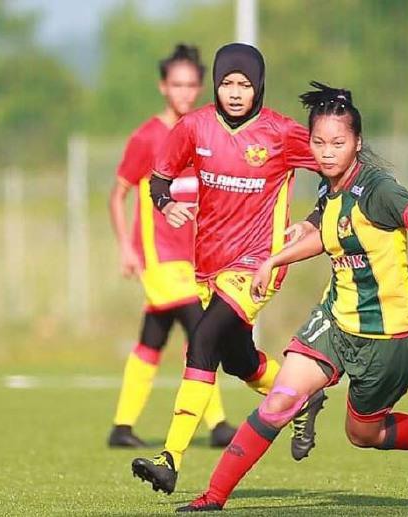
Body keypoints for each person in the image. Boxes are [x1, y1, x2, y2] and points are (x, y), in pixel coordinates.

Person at [176, 82, 408, 512]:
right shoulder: (327, 187)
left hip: (388, 340)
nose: (326, 152)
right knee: (281, 400)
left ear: (357, 143)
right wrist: (272, 260)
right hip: (335, 322)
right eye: (318, 142)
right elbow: (322, 236)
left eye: (338, 142)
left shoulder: (379, 190)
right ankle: (212, 497)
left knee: (363, 435)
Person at [131, 43, 327, 495]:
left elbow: (335, 170)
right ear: (216, 86)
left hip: (259, 265)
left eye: (244, 84)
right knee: (239, 360)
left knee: (200, 341)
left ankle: (170, 457)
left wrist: (314, 222)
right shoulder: (194, 126)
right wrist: (166, 203)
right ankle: (303, 397)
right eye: (226, 83)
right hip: (209, 267)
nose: (235, 92)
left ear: (258, 86)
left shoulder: (281, 132)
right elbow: (158, 176)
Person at [107, 44, 236, 449]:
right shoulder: (148, 137)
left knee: (152, 337)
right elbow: (118, 194)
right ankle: (217, 424)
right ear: (163, 87)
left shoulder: (203, 133)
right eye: (176, 84)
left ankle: (121, 427)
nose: (184, 92)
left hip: (195, 259)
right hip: (160, 257)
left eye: (191, 85)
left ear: (200, 88)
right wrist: (125, 249)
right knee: (201, 329)